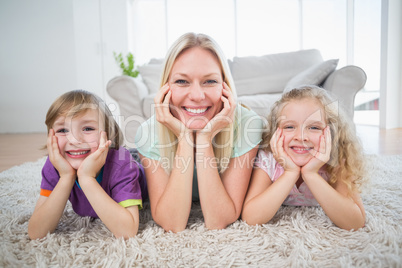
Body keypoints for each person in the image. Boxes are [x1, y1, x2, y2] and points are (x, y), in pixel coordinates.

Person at [134, 32, 263, 232]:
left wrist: (204, 139)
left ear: (225, 86)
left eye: (210, 81)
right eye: (182, 82)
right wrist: (185, 139)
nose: (196, 95)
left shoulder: (248, 125)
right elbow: (172, 223)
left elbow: (219, 219)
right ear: (165, 88)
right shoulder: (147, 133)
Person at [242, 85, 367, 230]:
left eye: (314, 127)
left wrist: (311, 174)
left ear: (332, 132)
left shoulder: (337, 158)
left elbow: (355, 222)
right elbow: (251, 218)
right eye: (289, 127)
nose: (301, 137)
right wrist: (290, 173)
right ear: (275, 132)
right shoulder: (269, 158)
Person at [28, 90, 147, 239]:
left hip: (137, 164)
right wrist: (66, 177)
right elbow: (35, 233)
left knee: (142, 159)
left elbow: (127, 231)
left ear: (108, 134)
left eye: (88, 128)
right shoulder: (54, 165)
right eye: (63, 130)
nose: (75, 140)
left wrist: (86, 178)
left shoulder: (123, 166)